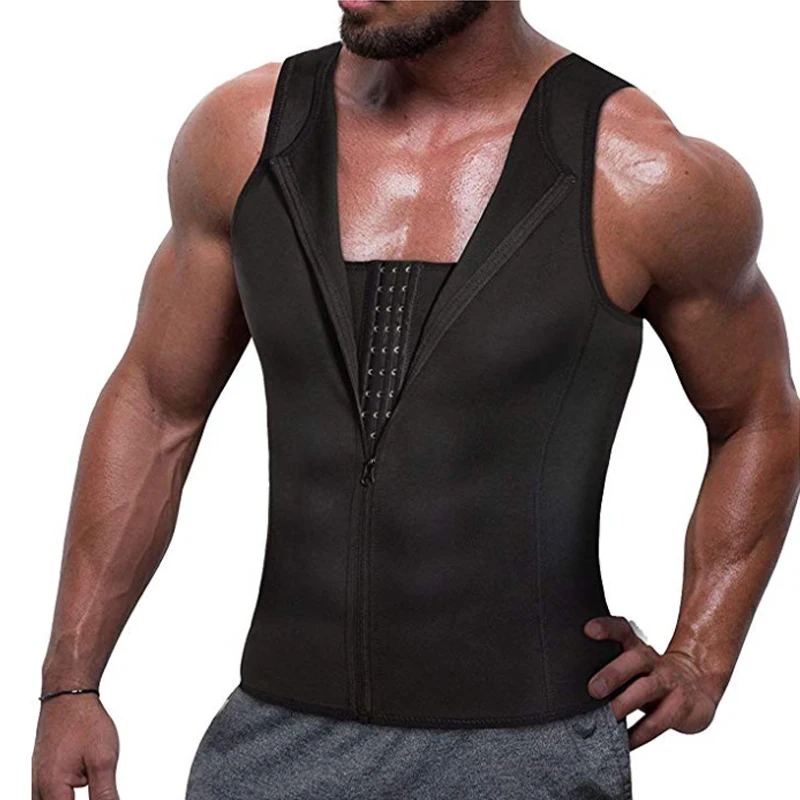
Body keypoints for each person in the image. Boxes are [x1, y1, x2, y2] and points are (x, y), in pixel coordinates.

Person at [32, 2, 799, 799]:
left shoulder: (641, 174)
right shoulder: (246, 136)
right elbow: (157, 407)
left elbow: (758, 414)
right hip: (275, 745)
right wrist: (70, 684)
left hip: (528, 757)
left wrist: (702, 653)